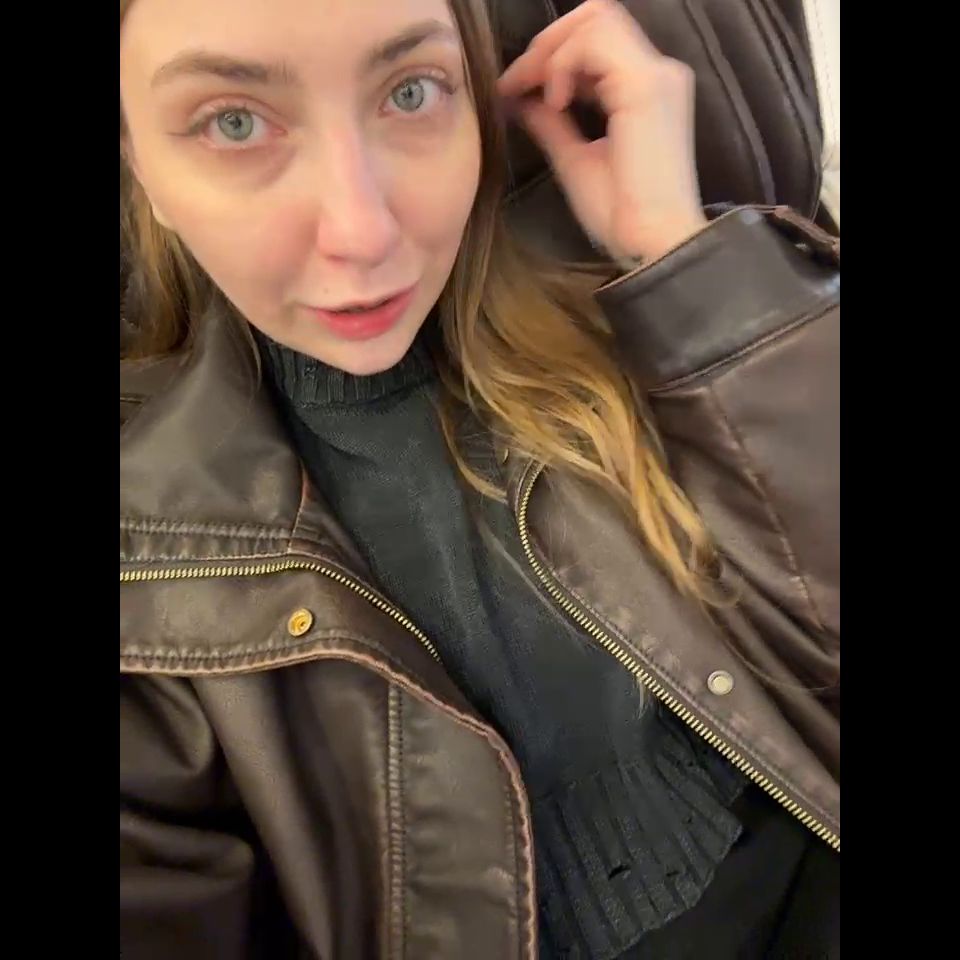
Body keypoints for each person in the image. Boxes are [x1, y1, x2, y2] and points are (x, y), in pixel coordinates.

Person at [119, 0, 840, 956]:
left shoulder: (638, 326)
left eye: (411, 92)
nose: (362, 231)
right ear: (142, 168)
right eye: (235, 122)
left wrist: (682, 259)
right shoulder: (148, 562)